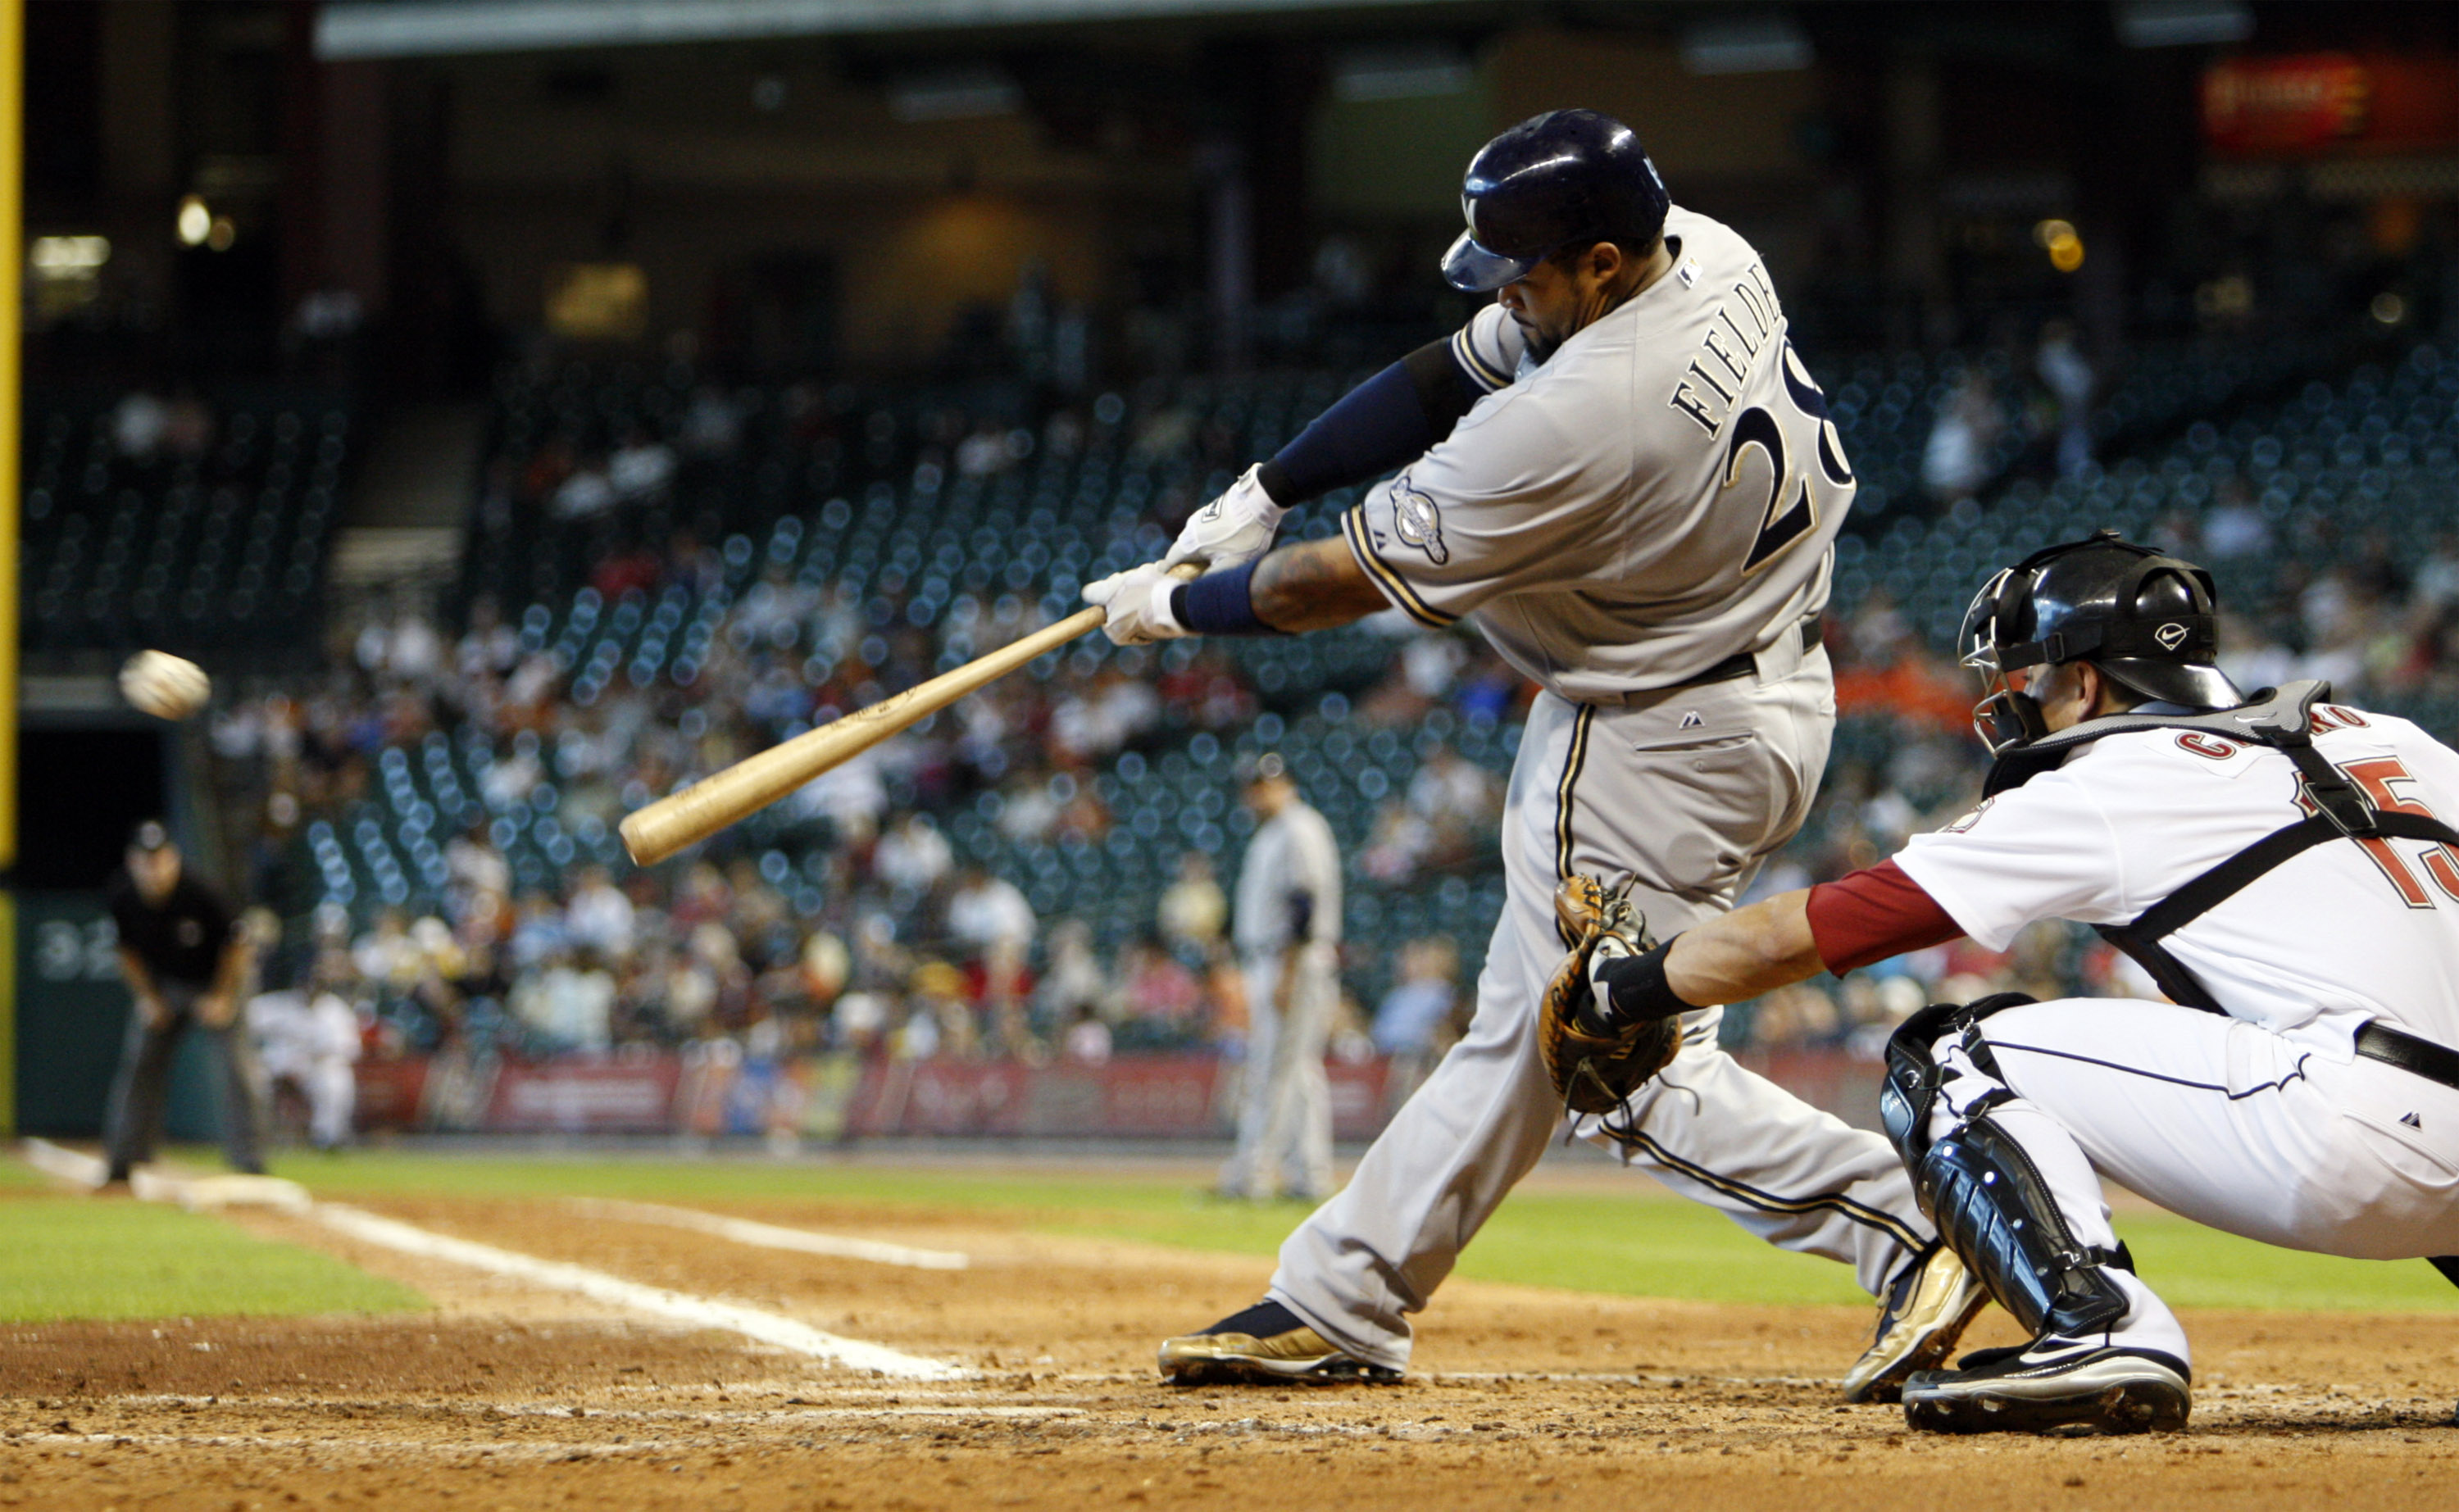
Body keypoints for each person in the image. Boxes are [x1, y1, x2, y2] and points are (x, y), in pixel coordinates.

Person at [1086, 108, 1972, 1396]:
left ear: (1602, 264)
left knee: (1615, 1064)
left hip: (1654, 736)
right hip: (1752, 684)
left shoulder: (1585, 413)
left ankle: (1925, 1216)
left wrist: (1172, 606)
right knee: (1526, 1030)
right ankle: (1347, 1291)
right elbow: (1449, 368)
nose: (1505, 291)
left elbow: (1331, 588)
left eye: (1526, 269)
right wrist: (1269, 486)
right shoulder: (1705, 251)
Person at [1566, 531, 2459, 1433]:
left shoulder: (2111, 779)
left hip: (2363, 1143)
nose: (2019, 699)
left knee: (1954, 1055)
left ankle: (2097, 1326)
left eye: (2030, 676)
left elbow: (1822, 928)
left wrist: (1629, 989)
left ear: (2085, 682)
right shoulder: (2396, 739)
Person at [102, 820, 261, 1183]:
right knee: (140, 1064)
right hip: (165, 985)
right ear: (132, 862)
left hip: (216, 979)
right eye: (145, 860)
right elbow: (126, 954)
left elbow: (237, 947)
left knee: (238, 1066)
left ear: (173, 859)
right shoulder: (123, 896)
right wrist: (148, 999)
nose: (153, 868)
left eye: (160, 859)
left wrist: (222, 997)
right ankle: (123, 1160)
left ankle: (250, 1159)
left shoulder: (202, 891)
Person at [1217, 753, 1343, 1203]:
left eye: (1264, 785)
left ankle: (1250, 1173)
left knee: (1273, 1067)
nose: (1256, 794)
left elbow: (1303, 903)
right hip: (1276, 958)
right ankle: (1309, 1174)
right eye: (1252, 787)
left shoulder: (1299, 827)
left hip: (1293, 961)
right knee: (1300, 1072)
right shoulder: (1273, 832)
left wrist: (1287, 974)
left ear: (1284, 784)